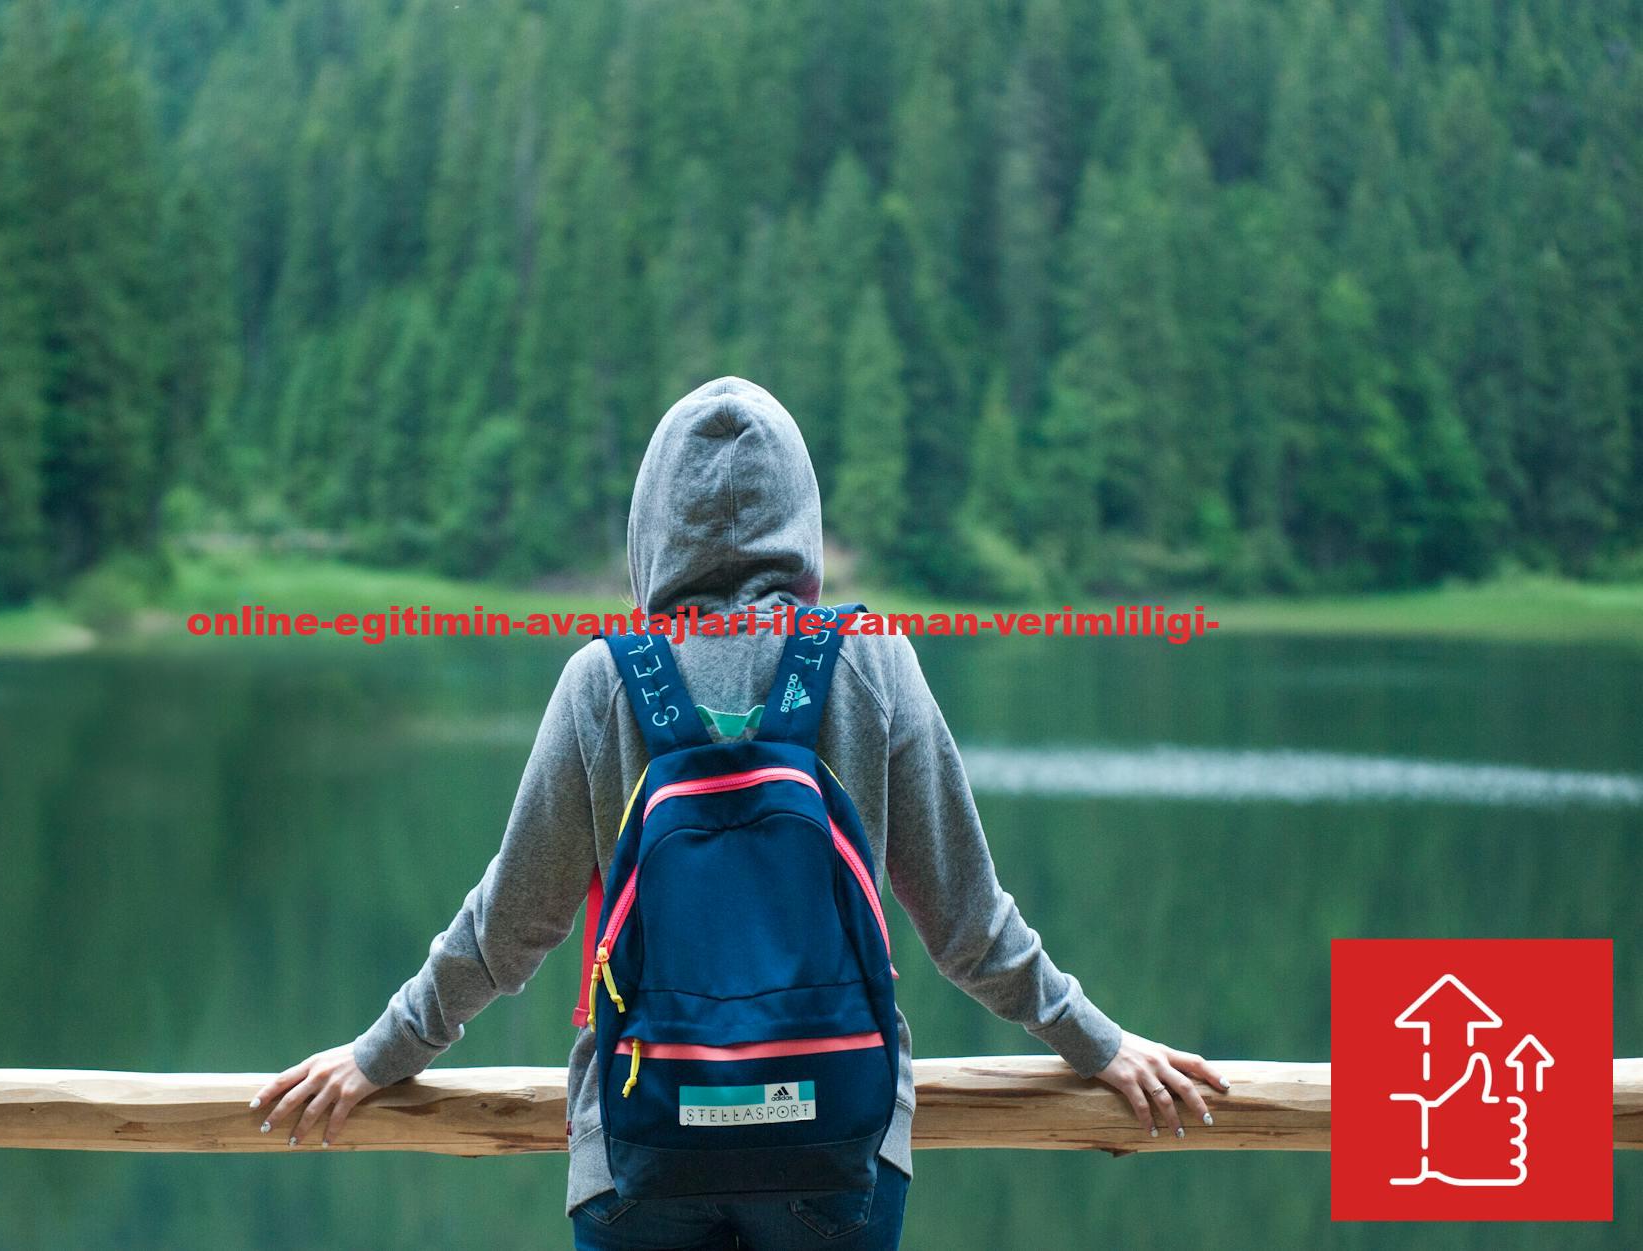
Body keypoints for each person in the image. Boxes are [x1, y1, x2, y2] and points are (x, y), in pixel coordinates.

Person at [255, 377, 1227, 1249]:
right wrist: (1099, 1043)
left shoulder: (602, 682)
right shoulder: (872, 662)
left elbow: (507, 933)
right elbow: (969, 931)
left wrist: (377, 1055)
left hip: (641, 1155)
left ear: (649, 525)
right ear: (801, 518)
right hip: (835, 1149)